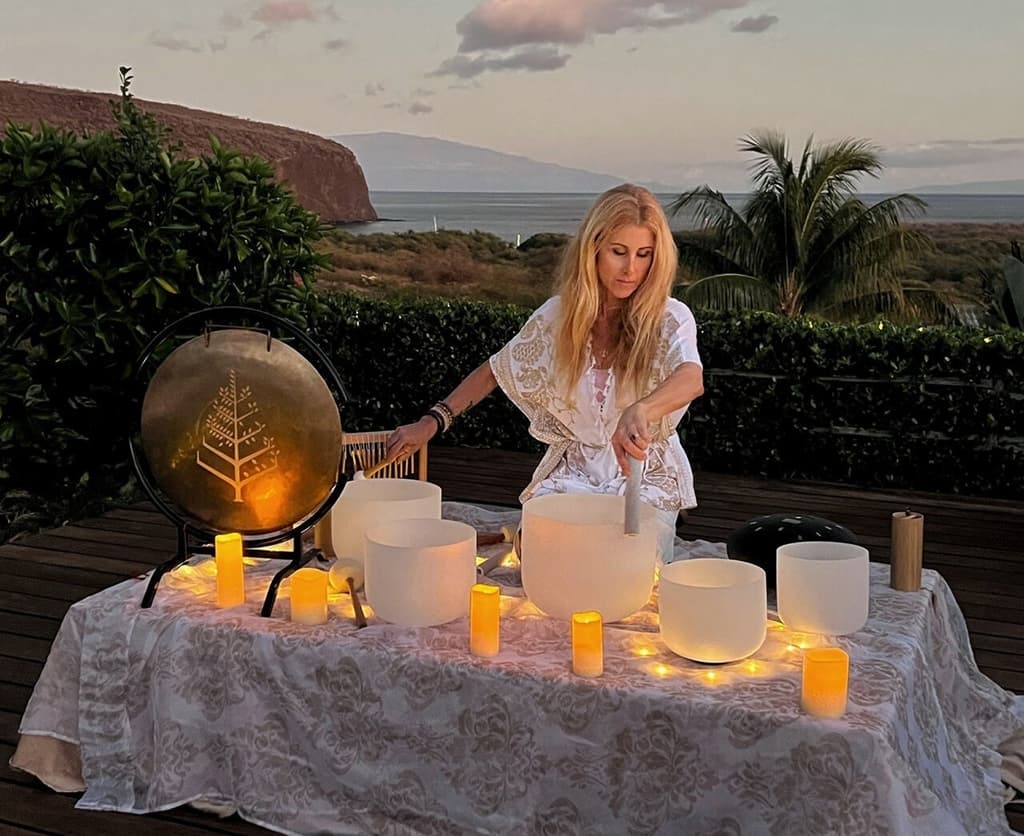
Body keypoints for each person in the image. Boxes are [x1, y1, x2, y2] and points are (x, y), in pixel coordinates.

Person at [384, 184, 703, 562]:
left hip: (642, 474)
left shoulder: (670, 317)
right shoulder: (558, 317)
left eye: (644, 254)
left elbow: (690, 377)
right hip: (575, 471)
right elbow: (496, 370)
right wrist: (432, 422)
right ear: (594, 248)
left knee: (625, 563)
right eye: (619, 252)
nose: (631, 268)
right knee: (541, 556)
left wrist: (643, 409)